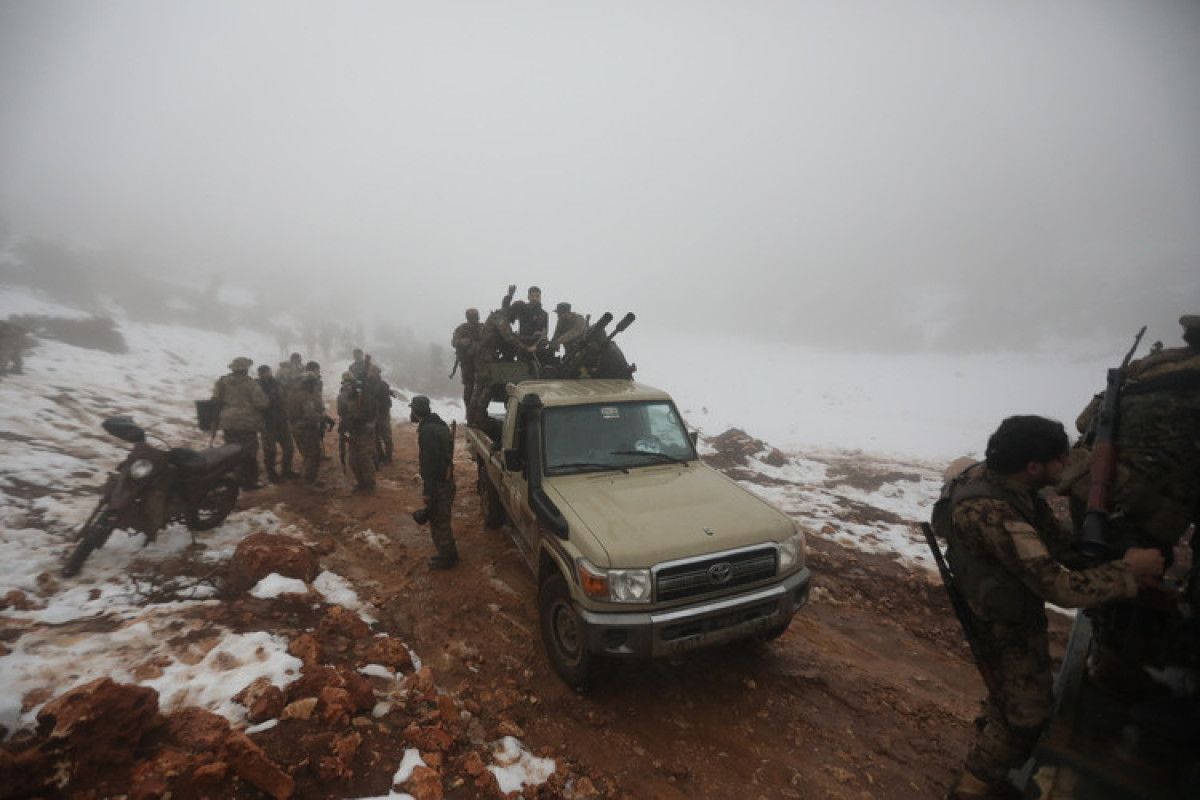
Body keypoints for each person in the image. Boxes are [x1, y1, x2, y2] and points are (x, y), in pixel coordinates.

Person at [940, 415, 1164, 799]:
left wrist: (1116, 557)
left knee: (1011, 703)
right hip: (1001, 625)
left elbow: (1059, 548)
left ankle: (989, 754)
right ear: (1033, 466)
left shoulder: (1015, 491)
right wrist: (1126, 573)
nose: (1065, 467)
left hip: (1010, 612)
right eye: (1059, 460)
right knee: (1027, 719)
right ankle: (969, 789)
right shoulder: (995, 514)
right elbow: (1058, 587)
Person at [1061, 314, 1200, 690]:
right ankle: (1120, 673)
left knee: (1116, 573)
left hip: (1094, 491)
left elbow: (1083, 421)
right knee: (1137, 577)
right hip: (1150, 508)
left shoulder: (1147, 369)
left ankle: (1110, 656)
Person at [410, 395, 457, 569]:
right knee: (441, 518)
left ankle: (447, 558)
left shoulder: (428, 431)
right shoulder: (438, 424)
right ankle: (449, 554)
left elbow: (429, 464)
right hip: (445, 479)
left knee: (438, 520)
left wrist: (427, 492)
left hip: (439, 482)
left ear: (416, 410)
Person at [467, 302, 531, 427]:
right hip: (484, 357)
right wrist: (526, 348)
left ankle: (474, 417)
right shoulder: (501, 318)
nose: (516, 319)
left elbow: (509, 336)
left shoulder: (501, 315)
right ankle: (477, 417)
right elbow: (508, 337)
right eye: (518, 316)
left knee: (480, 387)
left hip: (485, 356)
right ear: (516, 312)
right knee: (486, 386)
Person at [211, 357, 269, 490]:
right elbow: (261, 403)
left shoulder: (222, 381)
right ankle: (249, 482)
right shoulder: (251, 384)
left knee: (231, 451)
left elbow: (215, 400)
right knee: (249, 452)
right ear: (246, 369)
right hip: (246, 423)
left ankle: (232, 479)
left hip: (227, 422)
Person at [337, 371, 378, 493]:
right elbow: (343, 414)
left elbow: (372, 414)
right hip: (353, 431)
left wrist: (362, 419)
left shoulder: (367, 398)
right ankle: (361, 483)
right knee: (353, 460)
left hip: (365, 432)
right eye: (346, 385)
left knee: (365, 459)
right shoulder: (347, 397)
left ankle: (369, 485)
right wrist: (344, 428)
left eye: (350, 385)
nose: (347, 387)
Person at [256, 365, 297, 482]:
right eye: (264, 373)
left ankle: (286, 470)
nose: (267, 375)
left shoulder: (276, 383)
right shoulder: (257, 387)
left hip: (281, 420)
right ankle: (272, 474)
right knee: (270, 450)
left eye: (268, 372)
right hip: (267, 422)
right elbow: (259, 404)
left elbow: (284, 397)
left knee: (288, 447)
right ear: (260, 374)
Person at [286, 371, 327, 485]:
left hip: (296, 427)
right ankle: (309, 481)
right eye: (314, 383)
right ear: (309, 383)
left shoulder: (294, 393)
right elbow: (310, 415)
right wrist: (322, 418)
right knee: (313, 455)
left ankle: (308, 478)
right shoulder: (305, 396)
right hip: (306, 428)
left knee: (307, 454)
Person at [451, 308, 483, 409]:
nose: (474, 319)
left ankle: (476, 411)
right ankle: (469, 411)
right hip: (467, 362)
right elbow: (454, 342)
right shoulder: (462, 328)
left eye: (475, 316)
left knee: (480, 387)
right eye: (472, 317)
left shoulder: (482, 327)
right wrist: (462, 342)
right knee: (469, 387)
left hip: (480, 362)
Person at [367, 363, 394, 464]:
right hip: (372, 414)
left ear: (377, 373)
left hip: (382, 414)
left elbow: (387, 402)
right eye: (370, 371)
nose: (371, 373)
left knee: (386, 436)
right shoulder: (367, 384)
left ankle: (388, 458)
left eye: (373, 371)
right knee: (375, 437)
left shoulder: (383, 385)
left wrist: (381, 413)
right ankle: (380, 456)